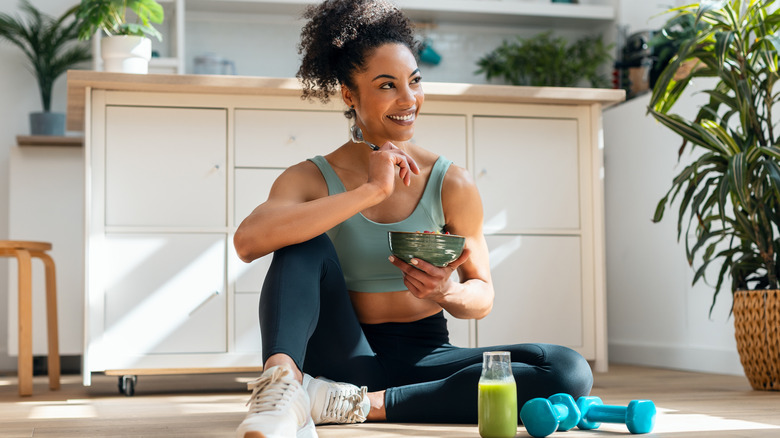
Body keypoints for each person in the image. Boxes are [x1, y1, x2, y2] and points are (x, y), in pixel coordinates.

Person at [232, 0, 593, 437]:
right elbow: (248, 242)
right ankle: (283, 387)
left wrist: (445, 291)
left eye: (415, 81)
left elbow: (482, 295)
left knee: (567, 371)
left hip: (426, 358)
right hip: (341, 353)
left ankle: (349, 404)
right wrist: (371, 190)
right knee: (301, 241)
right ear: (350, 94)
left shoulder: (450, 182)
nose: (409, 100)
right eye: (387, 85)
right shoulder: (310, 177)